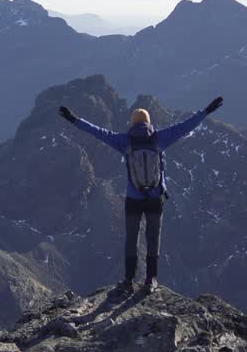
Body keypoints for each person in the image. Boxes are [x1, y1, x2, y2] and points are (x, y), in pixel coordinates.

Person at [59, 96, 224, 294]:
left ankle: (128, 280)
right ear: (148, 122)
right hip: (156, 199)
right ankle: (151, 280)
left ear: (132, 123)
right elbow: (185, 127)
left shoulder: (124, 141)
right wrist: (206, 111)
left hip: (133, 199)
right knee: (153, 238)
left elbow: (98, 132)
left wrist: (75, 120)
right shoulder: (160, 138)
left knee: (132, 239)